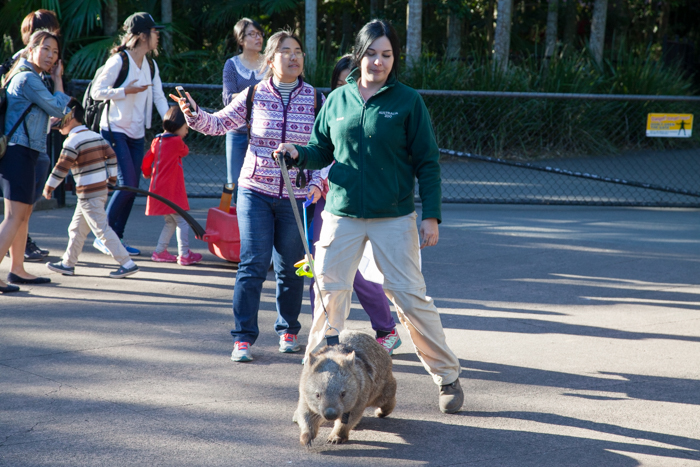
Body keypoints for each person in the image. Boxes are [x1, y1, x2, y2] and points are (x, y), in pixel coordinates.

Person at [275, 20, 464, 414]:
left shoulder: (408, 101)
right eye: (372, 53)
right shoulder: (338, 100)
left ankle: (447, 377)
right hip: (341, 214)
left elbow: (428, 162)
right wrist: (298, 153)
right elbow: (320, 148)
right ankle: (310, 394)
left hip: (393, 217)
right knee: (329, 296)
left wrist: (431, 216)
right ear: (358, 54)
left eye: (387, 55)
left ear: (394, 59)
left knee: (411, 298)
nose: (378, 62)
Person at [172, 30, 323, 362]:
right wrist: (193, 111)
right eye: (286, 51)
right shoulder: (254, 95)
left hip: (296, 197)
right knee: (253, 263)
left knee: (293, 268)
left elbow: (327, 148)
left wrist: (319, 181)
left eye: (298, 51)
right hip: (255, 191)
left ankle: (288, 330)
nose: (295, 57)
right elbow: (215, 124)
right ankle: (243, 338)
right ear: (270, 60)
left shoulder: (315, 98)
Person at [307, 54, 401, 355]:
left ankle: (386, 328)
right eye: (339, 82)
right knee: (319, 272)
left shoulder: (379, 110)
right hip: (324, 201)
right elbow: (318, 151)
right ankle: (323, 336)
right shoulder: (328, 106)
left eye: (351, 81)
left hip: (361, 203)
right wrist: (315, 181)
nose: (346, 88)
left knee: (360, 273)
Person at [90, 12, 169, 257]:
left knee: (132, 187)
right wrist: (125, 90)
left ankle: (116, 238)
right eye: (154, 32)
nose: (157, 36)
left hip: (136, 133)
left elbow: (158, 97)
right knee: (128, 183)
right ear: (143, 35)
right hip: (114, 129)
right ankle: (104, 237)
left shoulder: (151, 64)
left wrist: (171, 127)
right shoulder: (119, 61)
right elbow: (97, 92)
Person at [0, 29, 71, 293]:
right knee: (13, 217)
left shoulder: (31, 77)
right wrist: (59, 79)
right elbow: (57, 108)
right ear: (31, 49)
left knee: (22, 215)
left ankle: (17, 270)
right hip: (18, 152)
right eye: (46, 49)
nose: (51, 56)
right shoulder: (29, 78)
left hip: (26, 151)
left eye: (55, 52)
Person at [43, 100, 140, 279]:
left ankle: (127, 263)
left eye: (59, 119)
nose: (58, 125)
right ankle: (68, 263)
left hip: (88, 193)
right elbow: (111, 156)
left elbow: (61, 168)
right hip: (97, 191)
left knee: (101, 229)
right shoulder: (95, 136)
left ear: (70, 117)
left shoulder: (72, 141)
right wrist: (111, 179)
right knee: (76, 229)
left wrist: (49, 186)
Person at [142, 106, 202, 266]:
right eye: (185, 128)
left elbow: (147, 159)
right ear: (177, 127)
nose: (187, 131)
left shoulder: (157, 141)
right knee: (182, 221)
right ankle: (184, 254)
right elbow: (185, 151)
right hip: (172, 191)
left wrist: (146, 172)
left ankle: (160, 251)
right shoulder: (177, 141)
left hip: (158, 190)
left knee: (170, 222)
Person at [222, 18, 267, 203]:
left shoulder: (270, 64)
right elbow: (227, 98)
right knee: (234, 184)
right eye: (252, 34)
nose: (258, 38)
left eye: (260, 34)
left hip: (263, 133)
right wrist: (254, 95)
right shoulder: (231, 64)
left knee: (262, 183)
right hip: (237, 132)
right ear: (241, 40)